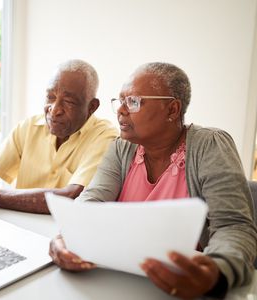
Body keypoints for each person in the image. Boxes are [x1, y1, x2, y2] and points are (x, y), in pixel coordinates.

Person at [49, 62, 257, 299]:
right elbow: (92, 199)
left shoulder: (210, 146)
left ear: (172, 109)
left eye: (134, 101)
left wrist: (216, 272)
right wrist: (66, 238)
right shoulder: (121, 148)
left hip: (181, 287)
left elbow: (234, 226)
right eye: (120, 101)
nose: (121, 110)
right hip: (120, 281)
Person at [0, 59, 118, 222]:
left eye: (69, 102)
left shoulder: (106, 137)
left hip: (63, 235)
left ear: (92, 107)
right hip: (18, 225)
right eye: (50, 97)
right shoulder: (29, 127)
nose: (55, 109)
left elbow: (72, 196)